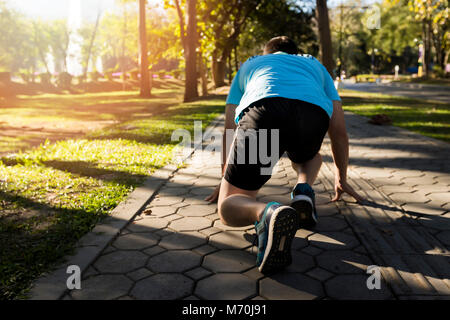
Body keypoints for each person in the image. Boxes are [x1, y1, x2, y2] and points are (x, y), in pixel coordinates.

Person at [205, 36, 364, 274]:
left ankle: (266, 213)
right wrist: (341, 179)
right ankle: (302, 190)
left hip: (265, 111)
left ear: (266, 52)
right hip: (312, 115)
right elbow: (339, 132)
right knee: (312, 156)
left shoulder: (251, 63)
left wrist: (226, 177)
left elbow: (230, 128)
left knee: (227, 207)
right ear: (295, 52)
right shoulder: (314, 65)